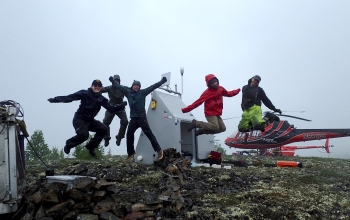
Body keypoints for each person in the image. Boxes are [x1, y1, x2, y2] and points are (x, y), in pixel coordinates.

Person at [48, 79, 127, 156]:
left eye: (99, 86)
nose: (97, 87)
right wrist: (56, 99)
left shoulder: (101, 99)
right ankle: (69, 144)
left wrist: (121, 106)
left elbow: (111, 108)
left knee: (103, 129)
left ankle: (91, 146)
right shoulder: (85, 93)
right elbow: (70, 97)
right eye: (95, 85)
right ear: (91, 86)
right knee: (84, 135)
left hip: (90, 120)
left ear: (101, 88)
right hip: (80, 119)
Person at [109, 76, 168, 161]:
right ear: (132, 86)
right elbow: (119, 86)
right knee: (129, 134)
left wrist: (162, 81)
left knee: (149, 134)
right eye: (135, 85)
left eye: (138, 86)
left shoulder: (142, 92)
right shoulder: (128, 92)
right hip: (133, 118)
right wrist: (112, 81)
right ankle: (131, 152)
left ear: (139, 87)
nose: (136, 86)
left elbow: (153, 86)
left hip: (141, 118)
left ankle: (159, 150)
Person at [101, 75, 129, 147]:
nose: (116, 82)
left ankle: (119, 137)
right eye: (115, 80)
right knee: (105, 122)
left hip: (120, 108)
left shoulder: (122, 88)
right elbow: (100, 90)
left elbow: (131, 91)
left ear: (119, 82)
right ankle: (106, 137)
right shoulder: (110, 88)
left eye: (118, 81)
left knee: (125, 121)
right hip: (111, 107)